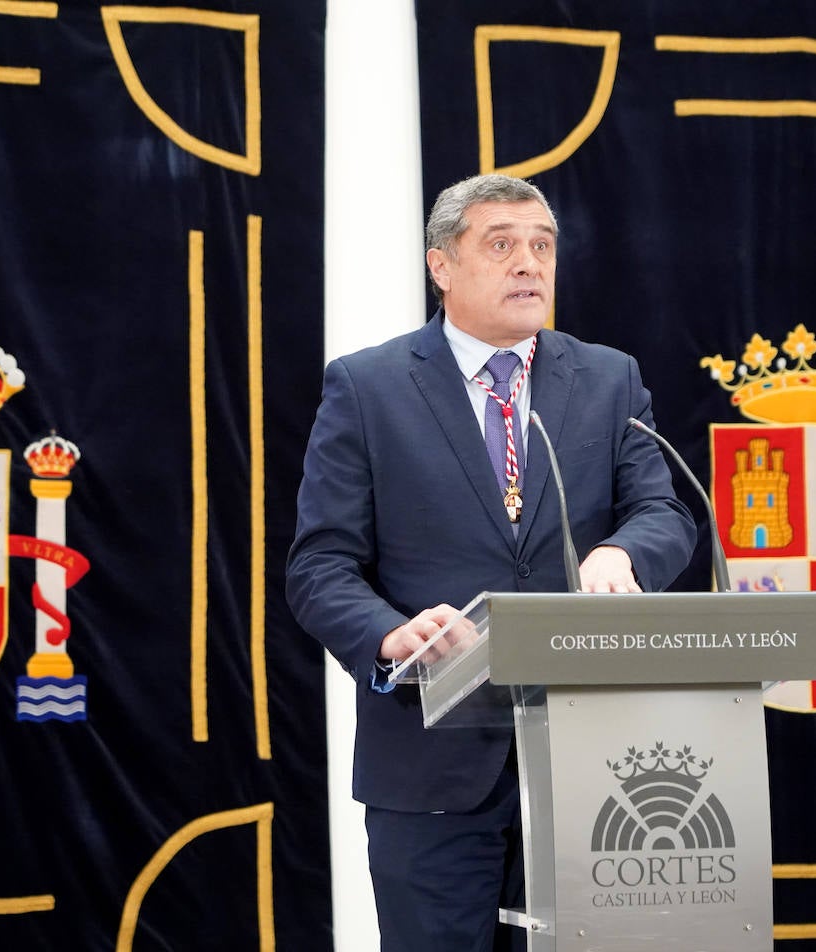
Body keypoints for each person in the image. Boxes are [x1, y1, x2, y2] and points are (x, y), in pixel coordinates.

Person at [286, 174, 696, 951]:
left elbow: (663, 511)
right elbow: (320, 566)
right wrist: (391, 635)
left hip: (598, 768)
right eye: (501, 245)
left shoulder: (609, 379)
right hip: (431, 762)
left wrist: (622, 552)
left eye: (542, 246)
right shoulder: (368, 388)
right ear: (442, 266)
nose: (528, 264)